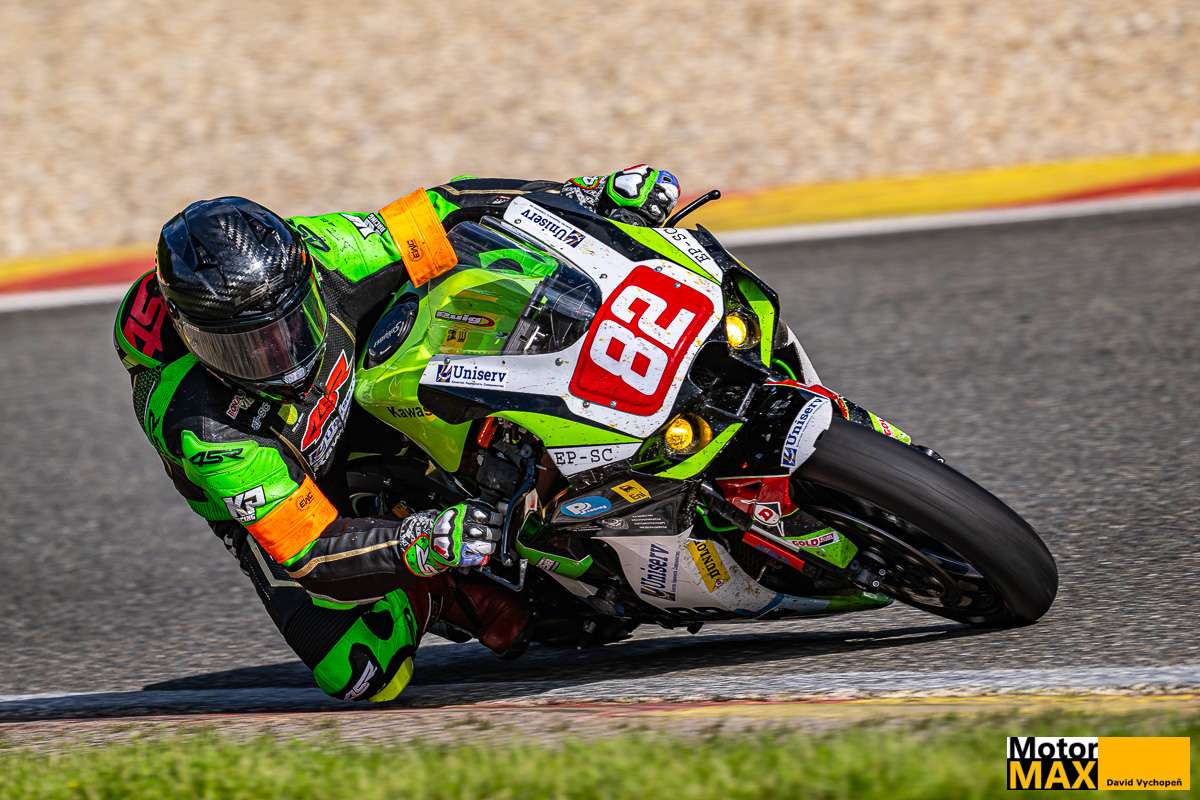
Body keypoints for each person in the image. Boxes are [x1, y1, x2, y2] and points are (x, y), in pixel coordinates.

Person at [113, 167, 680, 702]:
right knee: (362, 672)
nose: (279, 357)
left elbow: (446, 209)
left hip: (367, 387)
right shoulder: (205, 428)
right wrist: (419, 540)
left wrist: (584, 194)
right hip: (297, 486)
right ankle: (442, 592)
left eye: (288, 325)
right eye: (243, 348)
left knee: (473, 269)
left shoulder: (328, 250)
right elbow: (310, 549)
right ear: (190, 336)